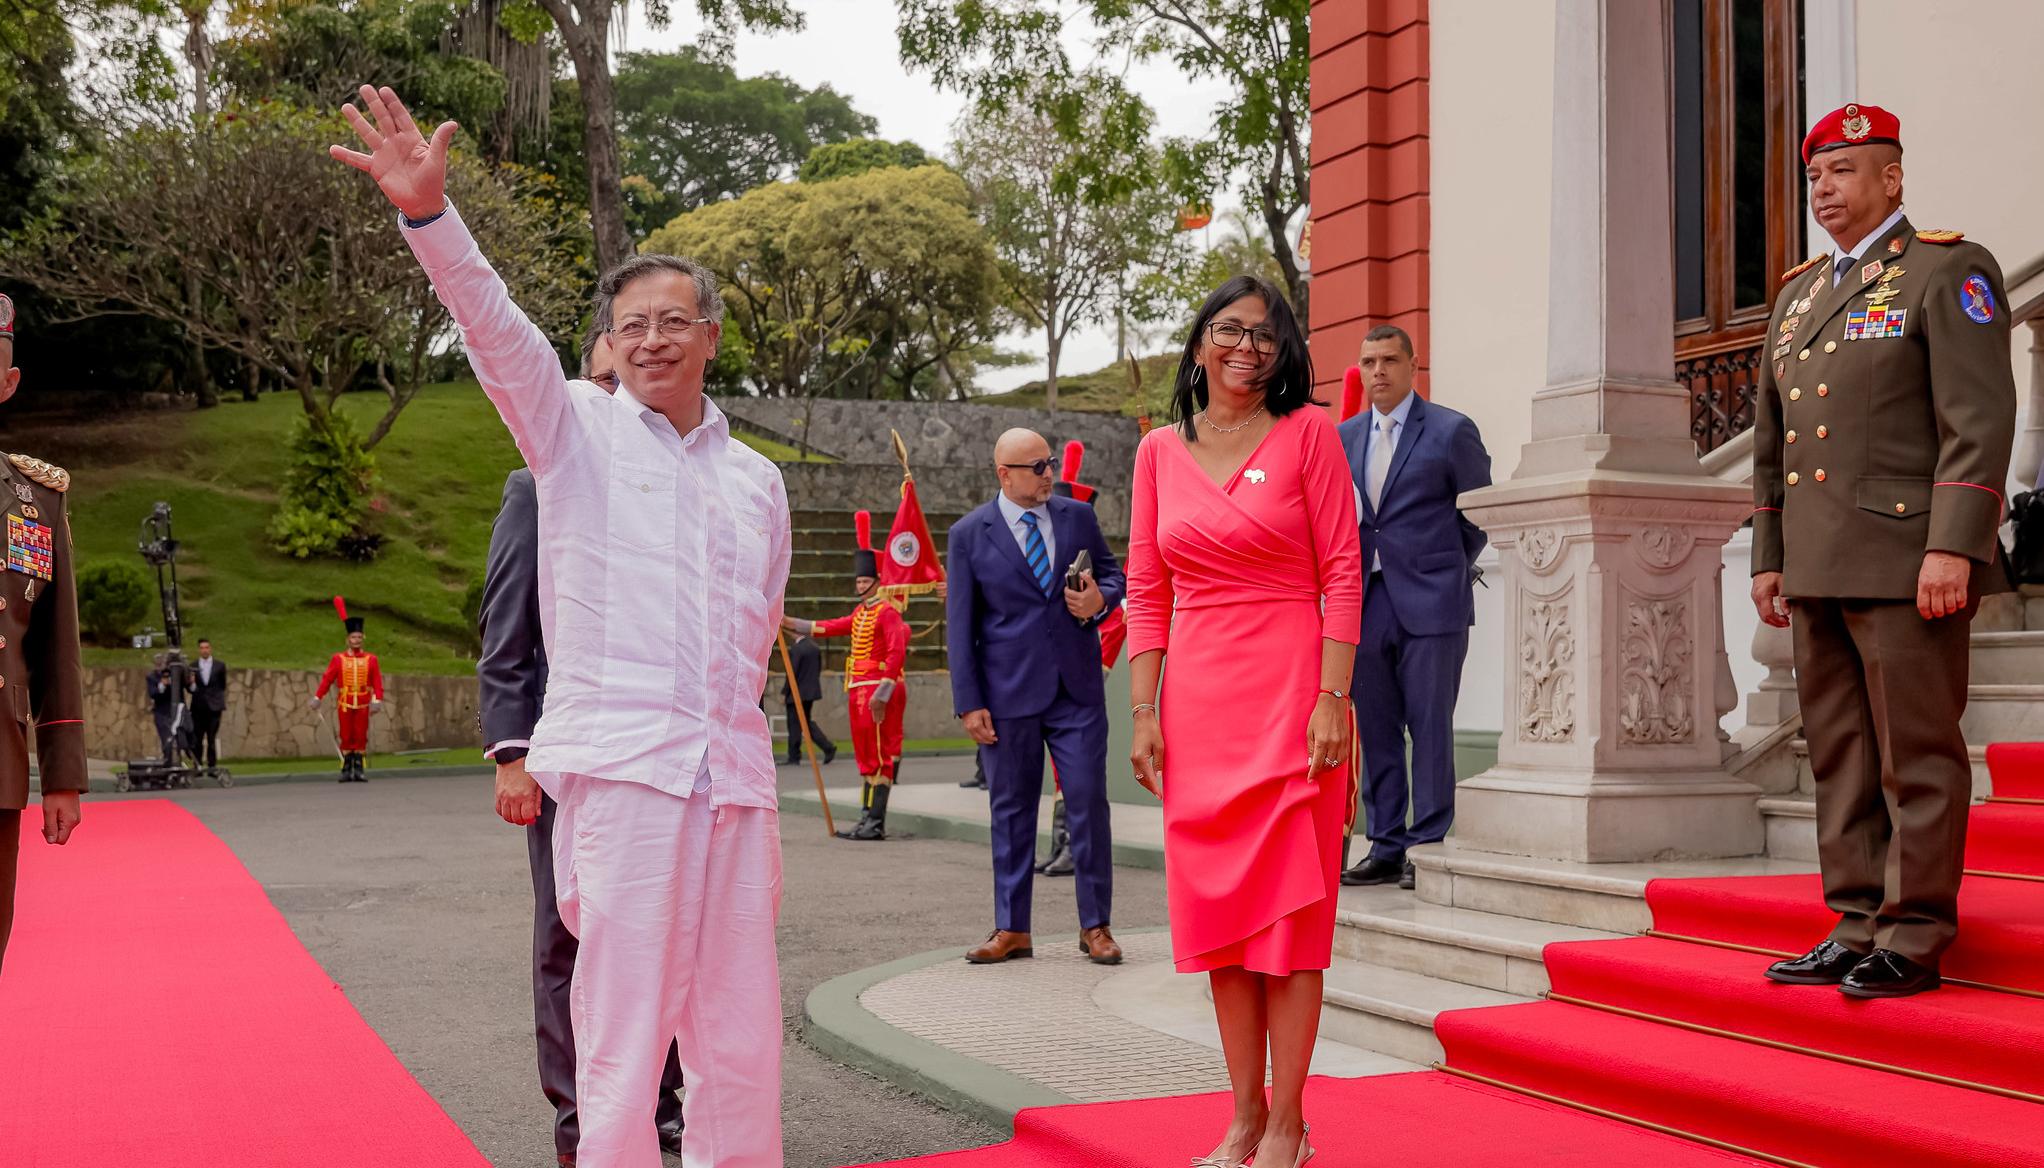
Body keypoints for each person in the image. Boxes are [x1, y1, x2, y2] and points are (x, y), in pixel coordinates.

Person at [333, 85, 790, 1167]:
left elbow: (752, 630)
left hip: (732, 778)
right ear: (610, 342)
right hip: (627, 773)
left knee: (740, 1034)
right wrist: (431, 219)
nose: (651, 340)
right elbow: (495, 331)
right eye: (631, 325)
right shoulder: (573, 432)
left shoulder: (758, 481)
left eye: (673, 320)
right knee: (622, 1032)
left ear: (710, 336)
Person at [1752, 103, 2015, 1000]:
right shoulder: (1796, 298)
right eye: (1815, 175)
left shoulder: (1946, 271)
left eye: (1845, 171)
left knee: (1917, 753)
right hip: (1819, 564)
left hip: (1911, 561)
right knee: (1839, 754)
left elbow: (1978, 422)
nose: (1824, 190)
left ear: (1892, 179)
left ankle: (1916, 929)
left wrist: (1955, 547)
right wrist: (1769, 553)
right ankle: (1857, 917)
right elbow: (1773, 441)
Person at [1125, 275, 1360, 1168]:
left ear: (1284, 352)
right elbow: (1148, 590)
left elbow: (1343, 572)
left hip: (1298, 695)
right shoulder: (1156, 452)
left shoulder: (1310, 435)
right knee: (1224, 921)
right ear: (1199, 344)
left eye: (1266, 335)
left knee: (1292, 928)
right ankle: (1243, 1116)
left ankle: (1291, 1123)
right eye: (1230, 330)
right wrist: (1144, 711)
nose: (1247, 347)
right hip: (1199, 705)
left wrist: (1333, 697)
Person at [478, 325, 685, 1165]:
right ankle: (582, 1123)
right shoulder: (539, 485)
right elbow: (505, 633)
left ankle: (659, 1104)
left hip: (660, 759)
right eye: (603, 383)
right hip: (566, 757)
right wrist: (512, 753)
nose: (616, 403)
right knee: (571, 940)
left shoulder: (679, 490)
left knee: (665, 935)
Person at [947, 428, 1126, 967]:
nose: (1049, 473)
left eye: (1049, 463)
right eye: (1037, 467)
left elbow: (1114, 575)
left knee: (1089, 802)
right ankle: (1012, 928)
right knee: (1012, 809)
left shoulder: (1078, 517)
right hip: (1006, 695)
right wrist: (969, 701)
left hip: (1077, 691)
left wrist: (1100, 599)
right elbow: (961, 625)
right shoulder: (968, 534)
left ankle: (1095, 926)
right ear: (1004, 474)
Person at [1335, 326, 1491, 890]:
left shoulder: (1451, 431)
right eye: (1369, 361)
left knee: (1429, 727)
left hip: (1433, 603)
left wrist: (1445, 564)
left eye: (1389, 360)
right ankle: (1385, 845)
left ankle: (1426, 844)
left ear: (1412, 366)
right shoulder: (1343, 436)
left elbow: (1477, 513)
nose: (1378, 371)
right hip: (1367, 603)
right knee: (1376, 728)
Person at [0, 291, 88, 976]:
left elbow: (54, 648)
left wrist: (63, 777)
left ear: (8, 383)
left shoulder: (36, 501)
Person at [782, 512, 908, 841]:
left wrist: (883, 693)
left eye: (865, 581)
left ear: (878, 581)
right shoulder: (860, 612)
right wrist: (787, 621)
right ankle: (867, 817)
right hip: (858, 689)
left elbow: (896, 654)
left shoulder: (888, 613)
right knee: (866, 757)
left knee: (880, 756)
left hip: (877, 690)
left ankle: (876, 821)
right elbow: (829, 627)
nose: (860, 586)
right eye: (858, 582)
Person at [311, 600, 383, 782]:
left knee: (360, 735)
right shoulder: (338, 659)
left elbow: (377, 681)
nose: (356, 641)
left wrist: (377, 700)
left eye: (359, 637)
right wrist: (317, 696)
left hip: (364, 702)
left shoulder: (371, 659)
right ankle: (345, 769)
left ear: (363, 638)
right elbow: (328, 679)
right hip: (345, 702)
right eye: (353, 638)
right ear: (347, 640)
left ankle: (359, 769)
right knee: (346, 735)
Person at [779, 631, 833, 767]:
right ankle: (827, 747)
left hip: (797, 692)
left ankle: (794, 756)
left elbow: (792, 672)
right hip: (810, 692)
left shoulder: (797, 649)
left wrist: (785, 691)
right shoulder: (814, 647)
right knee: (806, 723)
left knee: (794, 724)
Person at [189, 638, 227, 771]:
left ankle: (212, 766)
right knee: (197, 738)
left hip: (214, 707)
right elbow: (190, 687)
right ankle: (197, 765)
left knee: (211, 738)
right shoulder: (193, 665)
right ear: (199, 650)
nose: (204, 650)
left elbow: (222, 684)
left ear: (210, 649)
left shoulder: (219, 666)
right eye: (202, 648)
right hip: (198, 707)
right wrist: (192, 684)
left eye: (207, 647)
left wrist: (217, 699)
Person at [147, 652, 181, 760]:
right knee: (166, 738)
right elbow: (153, 693)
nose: (160, 667)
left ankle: (177, 760)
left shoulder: (173, 674)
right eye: (157, 664)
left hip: (175, 711)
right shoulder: (152, 677)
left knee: (179, 738)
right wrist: (162, 685)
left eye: (161, 664)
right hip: (161, 712)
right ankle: (168, 759)